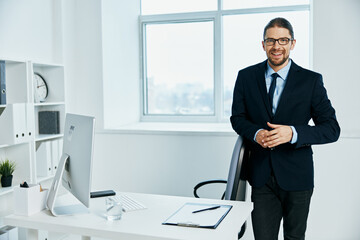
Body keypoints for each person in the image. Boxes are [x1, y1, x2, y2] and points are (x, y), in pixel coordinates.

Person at [230, 17, 340, 240]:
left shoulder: (311, 81)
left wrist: (293, 133)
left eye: (283, 40)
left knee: (295, 238)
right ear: (263, 44)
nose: (276, 46)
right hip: (260, 176)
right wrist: (256, 133)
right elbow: (237, 118)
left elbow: (331, 129)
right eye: (271, 40)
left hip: (297, 177)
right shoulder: (246, 77)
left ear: (292, 43)